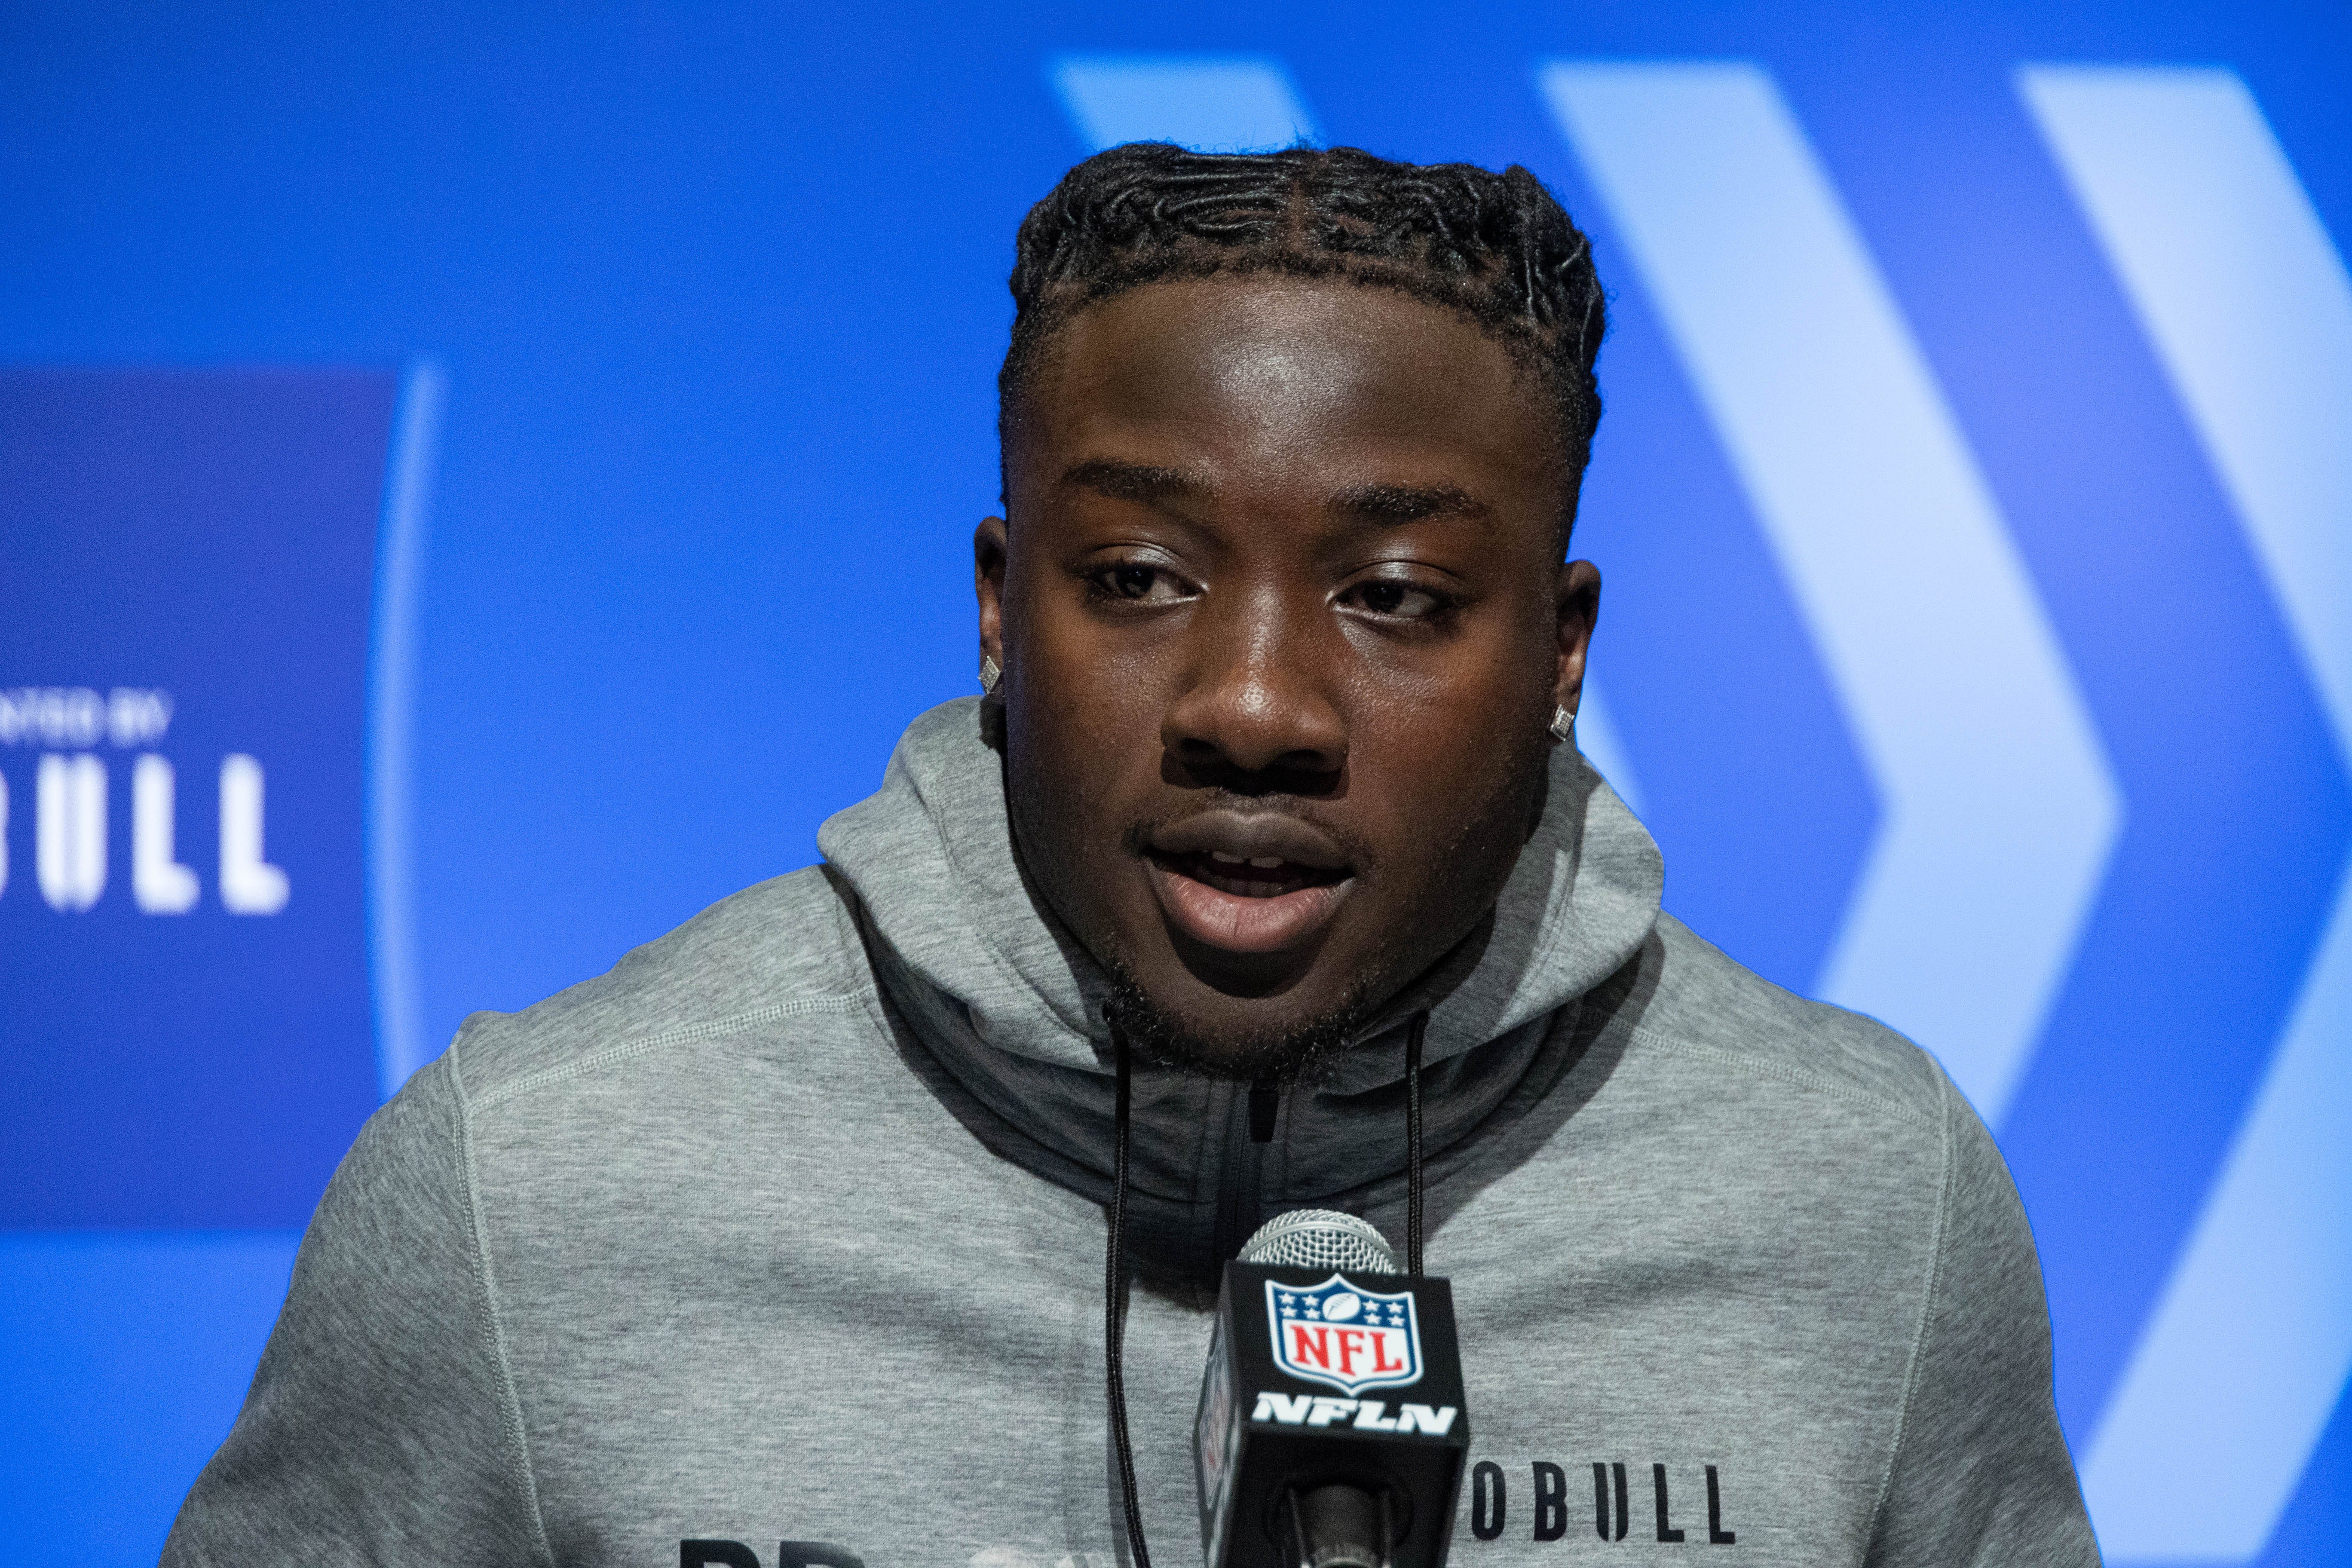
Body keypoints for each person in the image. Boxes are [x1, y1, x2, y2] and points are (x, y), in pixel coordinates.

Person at [163, 144, 2099, 1567]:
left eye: (1402, 594)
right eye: (1140, 578)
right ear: (1004, 614)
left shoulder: (1868, 1210)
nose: (1255, 700)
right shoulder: (535, 1185)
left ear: (1565, 654)